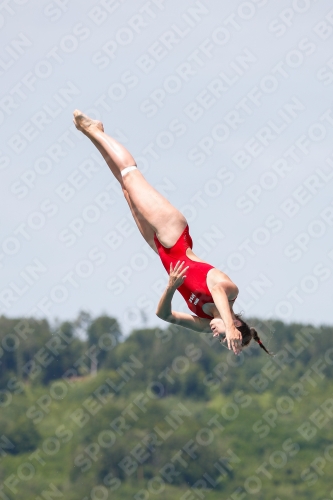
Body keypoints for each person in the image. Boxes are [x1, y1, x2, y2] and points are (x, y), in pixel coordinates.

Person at [73, 110, 271, 356]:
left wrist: (170, 287)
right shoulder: (231, 292)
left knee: (125, 187)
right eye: (226, 337)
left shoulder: (202, 323)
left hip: (159, 248)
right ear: (236, 326)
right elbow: (217, 289)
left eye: (222, 340)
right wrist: (229, 326)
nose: (218, 336)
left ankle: (94, 133)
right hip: (173, 233)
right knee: (131, 175)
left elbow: (164, 315)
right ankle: (93, 129)